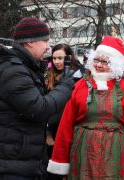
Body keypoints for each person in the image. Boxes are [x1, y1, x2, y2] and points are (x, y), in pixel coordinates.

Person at [47, 36, 124, 179]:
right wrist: (60, 160)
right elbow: (66, 126)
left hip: (116, 156)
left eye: (105, 62)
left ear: (115, 65)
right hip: (82, 155)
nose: (99, 65)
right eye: (97, 60)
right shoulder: (80, 86)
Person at [0, 17, 75, 180]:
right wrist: (66, 85)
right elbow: (39, 109)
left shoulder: (23, 68)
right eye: (45, 40)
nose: (48, 47)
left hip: (21, 161)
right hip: (12, 166)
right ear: (30, 42)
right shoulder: (13, 71)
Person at [46, 43, 83, 180]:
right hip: (52, 129)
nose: (57, 62)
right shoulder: (48, 75)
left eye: (60, 58)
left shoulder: (79, 75)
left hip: (71, 127)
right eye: (54, 58)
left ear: (69, 58)